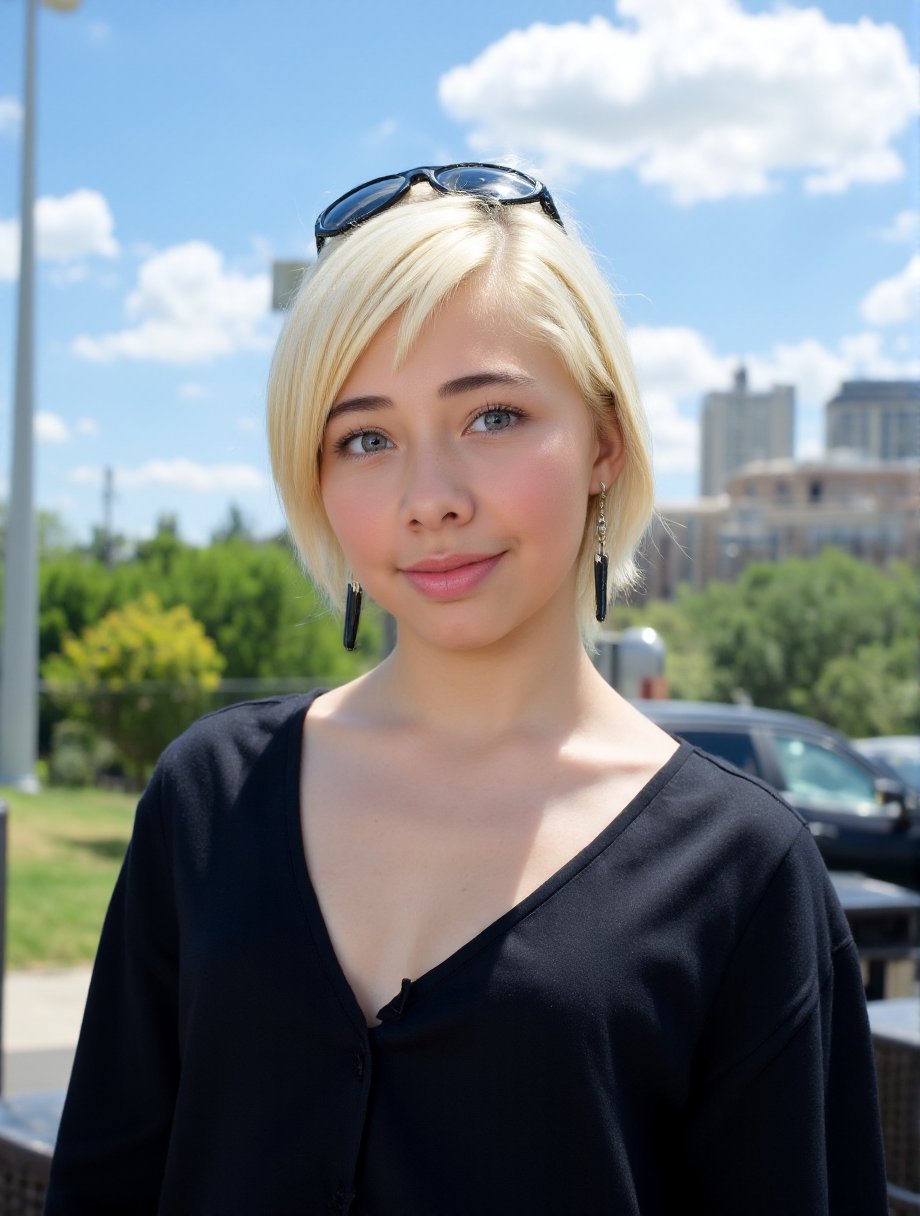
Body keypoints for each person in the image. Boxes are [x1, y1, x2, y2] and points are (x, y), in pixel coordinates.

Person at [46, 164, 888, 1216]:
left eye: (490, 417)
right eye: (365, 438)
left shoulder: (741, 873)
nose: (428, 499)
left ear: (603, 440)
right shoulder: (207, 800)